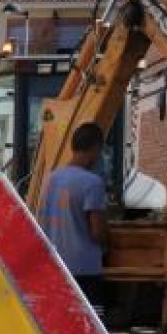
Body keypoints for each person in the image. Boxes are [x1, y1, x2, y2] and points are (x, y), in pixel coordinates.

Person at [38, 123, 110, 312]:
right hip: (84, 269)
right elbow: (97, 231)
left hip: (56, 267)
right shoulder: (93, 183)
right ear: (95, 148)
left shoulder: (52, 179)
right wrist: (109, 240)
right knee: (88, 329)